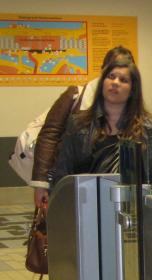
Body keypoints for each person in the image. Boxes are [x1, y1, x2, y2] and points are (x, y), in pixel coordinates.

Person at [31, 46, 134, 211]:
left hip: (117, 189)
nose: (116, 80)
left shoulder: (136, 113)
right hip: (76, 181)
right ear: (103, 70)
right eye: (112, 72)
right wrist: (41, 184)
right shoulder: (76, 95)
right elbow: (49, 135)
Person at [50, 59, 152, 187]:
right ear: (102, 83)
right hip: (86, 197)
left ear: (133, 90)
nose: (115, 82)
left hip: (134, 198)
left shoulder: (150, 127)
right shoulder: (78, 124)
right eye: (111, 77)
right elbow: (63, 174)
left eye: (123, 80)